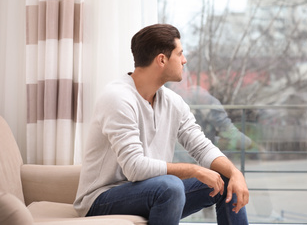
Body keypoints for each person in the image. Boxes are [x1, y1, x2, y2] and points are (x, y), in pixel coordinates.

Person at [73, 24, 249, 225]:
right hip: (102, 199)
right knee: (170, 186)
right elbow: (134, 168)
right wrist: (194, 170)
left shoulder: (173, 102)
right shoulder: (117, 98)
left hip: (155, 191)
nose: (185, 60)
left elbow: (201, 147)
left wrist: (235, 173)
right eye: (180, 54)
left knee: (226, 182)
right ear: (162, 60)